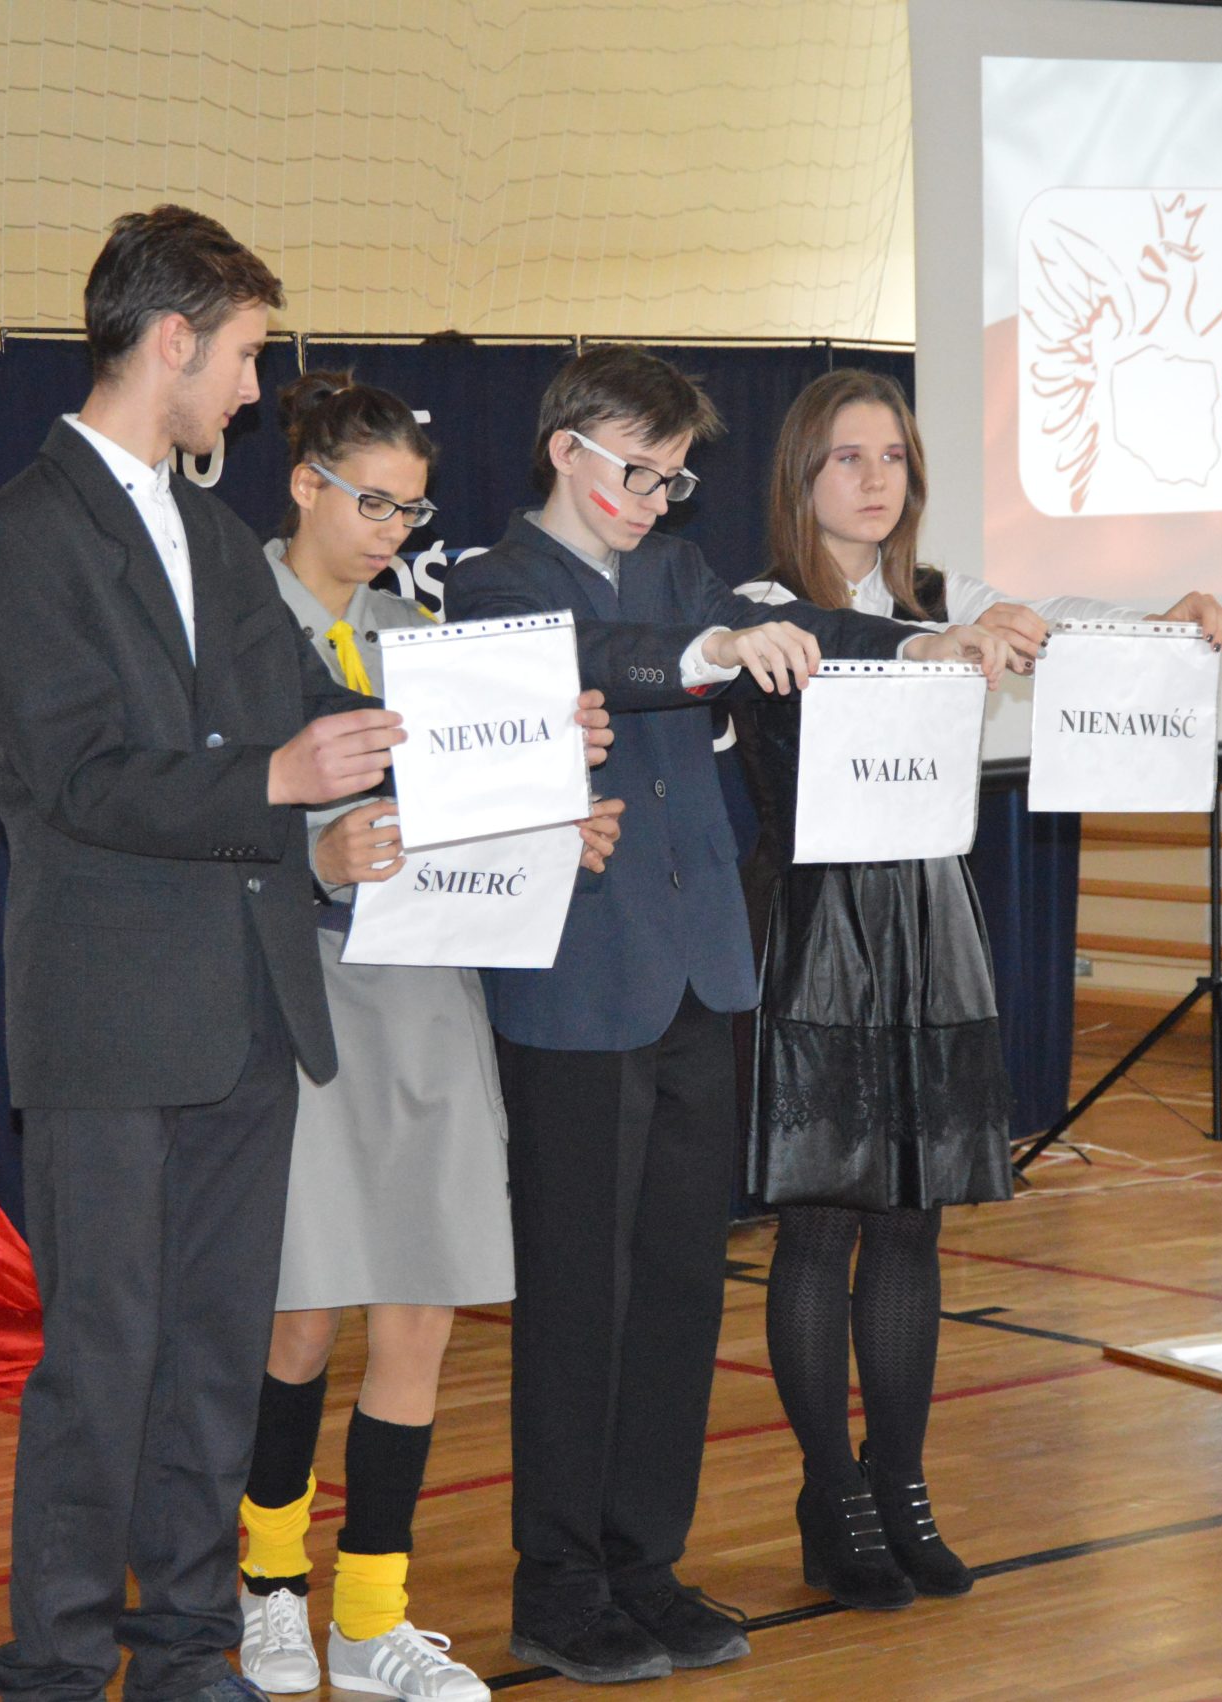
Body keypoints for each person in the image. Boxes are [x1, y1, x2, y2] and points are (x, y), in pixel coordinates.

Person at [0, 208, 613, 1702]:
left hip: (256, 1007)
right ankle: (55, 1664)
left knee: (209, 1358)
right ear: (172, 340)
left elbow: (332, 726)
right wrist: (274, 783)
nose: (256, 390)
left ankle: (191, 1652)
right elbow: (76, 774)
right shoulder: (19, 531)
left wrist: (522, 758)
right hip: (109, 1018)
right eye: (246, 356)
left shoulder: (206, 536)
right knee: (104, 1361)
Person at [443, 345, 1029, 1685]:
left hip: (704, 973)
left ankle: (644, 1562)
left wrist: (923, 640)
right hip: (578, 987)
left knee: (677, 1291)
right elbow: (598, 658)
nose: (657, 499)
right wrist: (714, 648)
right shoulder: (495, 583)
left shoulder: (678, 569)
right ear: (565, 451)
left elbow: (807, 630)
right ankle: (559, 1583)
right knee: (578, 1297)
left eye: (673, 478)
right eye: (638, 472)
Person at [733, 367, 1222, 1610]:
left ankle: (900, 1485)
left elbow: (1066, 622)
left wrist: (1171, 620)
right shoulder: (752, 605)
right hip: (816, 926)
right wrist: (944, 642)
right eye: (847, 457)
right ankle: (831, 1496)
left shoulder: (945, 590)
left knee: (914, 1220)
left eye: (892, 457)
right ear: (800, 472)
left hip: (929, 917)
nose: (874, 479)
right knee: (821, 1222)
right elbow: (839, 651)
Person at [232, 372, 626, 1702]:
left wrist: (556, 814)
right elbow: (192, 809)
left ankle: (370, 1615)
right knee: (301, 1316)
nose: (395, 531)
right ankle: (268, 1585)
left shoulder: (429, 637)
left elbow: (475, 808)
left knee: (419, 1311)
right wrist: (313, 855)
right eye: (374, 503)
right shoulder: (230, 620)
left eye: (412, 510)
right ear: (305, 484)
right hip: (298, 994)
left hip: (429, 993)